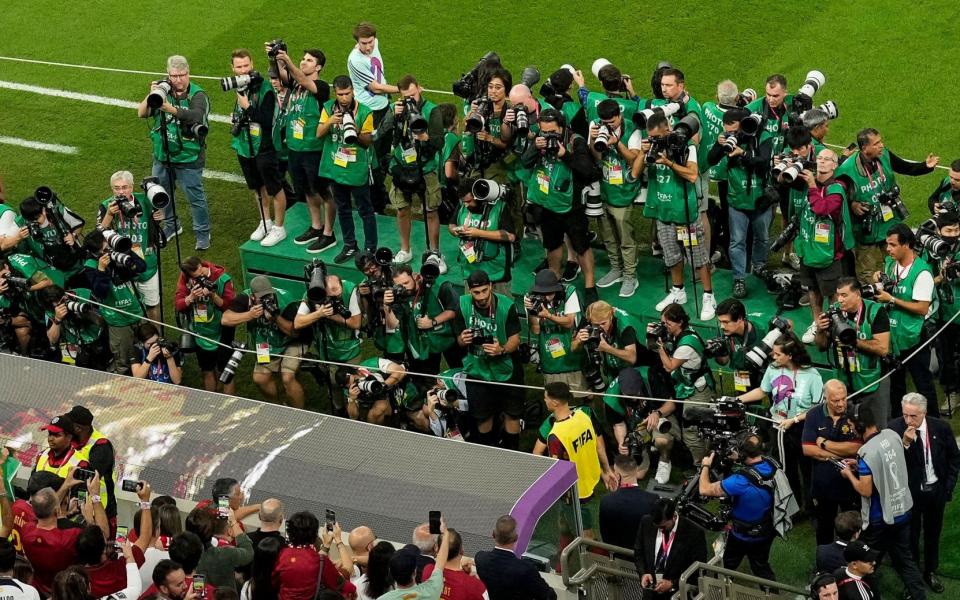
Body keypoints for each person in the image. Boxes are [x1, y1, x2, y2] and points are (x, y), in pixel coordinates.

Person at [840, 407, 926, 600]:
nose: (852, 429)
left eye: (852, 425)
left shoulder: (865, 452)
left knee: (868, 564)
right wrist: (861, 466)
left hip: (880, 520)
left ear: (860, 425)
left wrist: (849, 475)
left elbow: (865, 490)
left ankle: (869, 596)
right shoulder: (892, 434)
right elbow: (888, 462)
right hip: (903, 511)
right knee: (905, 560)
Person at [636, 113, 716, 320]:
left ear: (667, 130)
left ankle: (708, 296)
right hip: (663, 213)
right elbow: (635, 173)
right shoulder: (652, 149)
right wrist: (642, 154)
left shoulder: (686, 147)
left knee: (698, 258)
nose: (655, 141)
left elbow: (691, 175)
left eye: (657, 137)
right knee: (671, 256)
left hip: (685, 215)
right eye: (651, 138)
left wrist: (669, 162)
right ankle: (678, 291)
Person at [835, 127, 938, 283]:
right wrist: (852, 204)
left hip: (888, 224)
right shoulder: (846, 171)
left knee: (901, 263)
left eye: (881, 141)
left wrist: (925, 166)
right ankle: (873, 303)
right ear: (865, 148)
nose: (881, 145)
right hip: (865, 232)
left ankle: (902, 294)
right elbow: (836, 198)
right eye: (876, 143)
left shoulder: (884, 156)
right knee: (868, 274)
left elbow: (905, 167)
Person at [739, 333, 823, 510]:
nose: (773, 357)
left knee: (808, 469)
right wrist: (738, 400)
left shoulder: (812, 375)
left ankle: (813, 506)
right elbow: (762, 391)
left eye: (778, 354)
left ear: (790, 355)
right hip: (778, 428)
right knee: (786, 469)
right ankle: (794, 506)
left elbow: (817, 408)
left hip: (803, 428)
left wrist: (795, 419)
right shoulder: (772, 369)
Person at [136, 55, 211, 250]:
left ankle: (202, 233)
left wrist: (171, 109)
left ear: (189, 73)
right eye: (173, 76)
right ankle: (171, 225)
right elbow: (142, 113)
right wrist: (152, 93)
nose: (177, 80)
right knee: (162, 194)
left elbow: (196, 115)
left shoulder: (198, 95)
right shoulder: (163, 92)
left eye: (182, 75)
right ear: (168, 75)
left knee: (195, 197)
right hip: (163, 155)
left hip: (189, 157)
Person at [888, 393, 960, 594]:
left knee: (932, 534)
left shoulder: (940, 427)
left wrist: (948, 487)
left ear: (924, 413)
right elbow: (891, 464)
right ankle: (911, 578)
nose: (908, 420)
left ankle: (930, 571)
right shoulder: (894, 429)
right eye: (905, 415)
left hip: (936, 492)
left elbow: (955, 458)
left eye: (913, 416)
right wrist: (905, 444)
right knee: (910, 536)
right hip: (910, 495)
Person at [524, 109, 597, 297]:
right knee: (552, 244)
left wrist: (564, 155)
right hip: (547, 203)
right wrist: (534, 147)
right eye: (544, 131)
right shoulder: (539, 139)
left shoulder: (576, 141)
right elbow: (525, 162)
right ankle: (554, 280)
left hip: (571, 206)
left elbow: (587, 171)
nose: (548, 136)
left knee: (581, 246)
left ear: (562, 128)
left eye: (552, 132)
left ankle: (590, 286)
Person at [271, 47, 336, 253]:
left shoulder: (322, 87)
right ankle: (316, 226)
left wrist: (288, 61)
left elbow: (302, 79)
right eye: (303, 59)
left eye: (309, 60)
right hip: (295, 148)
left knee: (324, 191)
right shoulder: (295, 85)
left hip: (313, 149)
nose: (304, 62)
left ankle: (329, 233)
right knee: (307, 189)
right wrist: (275, 57)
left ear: (319, 67)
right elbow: (282, 74)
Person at [533, 382, 617, 539]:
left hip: (574, 493)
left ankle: (591, 558)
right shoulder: (583, 416)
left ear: (555, 402)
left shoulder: (556, 435)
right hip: (589, 479)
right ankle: (567, 547)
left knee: (585, 533)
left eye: (546, 398)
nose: (544, 401)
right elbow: (598, 447)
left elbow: (557, 473)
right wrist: (606, 470)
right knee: (565, 523)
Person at [873, 223, 938, 418]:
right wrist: (880, 279)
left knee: (923, 384)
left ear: (907, 245)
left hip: (914, 337)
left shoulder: (922, 272)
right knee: (896, 385)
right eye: (887, 244)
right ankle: (897, 423)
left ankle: (934, 423)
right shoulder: (891, 265)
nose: (888, 249)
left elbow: (922, 308)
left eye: (892, 245)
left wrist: (891, 299)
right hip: (894, 337)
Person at [707, 108, 774, 298]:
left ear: (745, 124)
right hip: (737, 200)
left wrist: (743, 154)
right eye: (728, 131)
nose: (732, 135)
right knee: (737, 242)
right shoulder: (729, 138)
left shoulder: (763, 135)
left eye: (734, 131)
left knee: (762, 238)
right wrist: (719, 144)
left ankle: (759, 267)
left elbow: (764, 161)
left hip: (760, 200)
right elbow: (711, 160)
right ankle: (739, 278)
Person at [452, 270, 522, 449]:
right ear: (469, 290)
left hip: (506, 369)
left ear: (490, 286)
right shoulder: (462, 304)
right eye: (476, 292)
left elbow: (515, 338)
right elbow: (458, 339)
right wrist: (463, 339)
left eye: (484, 291)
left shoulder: (507, 305)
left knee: (512, 415)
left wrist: (502, 349)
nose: (481, 296)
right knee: (483, 417)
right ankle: (488, 452)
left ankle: (512, 453)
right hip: (478, 371)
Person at [381, 75, 446, 268]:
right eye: (406, 97)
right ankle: (405, 249)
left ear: (420, 88)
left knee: (431, 211)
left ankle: (435, 252)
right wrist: (393, 114)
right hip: (402, 167)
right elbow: (381, 132)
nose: (411, 100)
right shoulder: (396, 109)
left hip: (425, 168)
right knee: (401, 210)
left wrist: (425, 137)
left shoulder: (431, 110)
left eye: (413, 94)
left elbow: (439, 142)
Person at [227, 49, 288, 247]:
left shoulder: (265, 89)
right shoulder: (240, 87)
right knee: (257, 187)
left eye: (246, 65)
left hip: (264, 146)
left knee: (274, 187)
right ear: (233, 68)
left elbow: (266, 120)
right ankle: (265, 222)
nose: (243, 70)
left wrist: (247, 107)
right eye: (239, 67)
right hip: (246, 145)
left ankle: (279, 228)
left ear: (252, 64)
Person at [698, 433, 778, 581]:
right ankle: (771, 594)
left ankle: (720, 590)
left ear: (743, 453)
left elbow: (704, 489)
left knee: (727, 566)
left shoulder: (739, 481)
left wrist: (705, 465)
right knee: (761, 566)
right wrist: (740, 457)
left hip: (742, 535)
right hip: (767, 529)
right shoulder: (772, 464)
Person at [795, 149, 854, 344]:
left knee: (832, 294)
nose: (821, 162)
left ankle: (835, 325)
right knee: (812, 289)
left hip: (828, 254)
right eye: (819, 158)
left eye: (827, 159)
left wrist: (812, 185)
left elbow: (822, 208)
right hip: (807, 249)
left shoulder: (837, 189)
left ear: (834, 165)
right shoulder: (807, 180)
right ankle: (816, 322)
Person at [814, 278, 891, 426]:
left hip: (873, 379)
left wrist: (854, 341)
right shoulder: (834, 313)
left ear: (857, 294)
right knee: (848, 427)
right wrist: (820, 330)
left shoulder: (875, 311)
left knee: (877, 425)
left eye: (844, 295)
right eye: (838, 295)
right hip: (844, 379)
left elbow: (883, 349)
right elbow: (822, 346)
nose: (840, 300)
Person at [317, 75, 378, 264]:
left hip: (357, 169)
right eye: (341, 94)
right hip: (336, 168)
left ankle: (370, 248)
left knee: (365, 210)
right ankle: (350, 245)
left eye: (348, 93)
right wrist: (330, 122)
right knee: (343, 209)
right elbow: (319, 134)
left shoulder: (365, 111)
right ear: (335, 92)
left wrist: (353, 129)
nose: (344, 98)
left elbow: (367, 142)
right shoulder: (328, 108)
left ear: (353, 91)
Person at [222, 275, 306, 408]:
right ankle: (278, 407)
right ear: (253, 296)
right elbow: (225, 319)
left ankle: (301, 415)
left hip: (291, 342)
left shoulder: (286, 299)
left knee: (287, 377)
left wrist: (275, 318)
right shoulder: (245, 298)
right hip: (265, 344)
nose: (267, 300)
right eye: (262, 298)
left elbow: (293, 332)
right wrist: (249, 315)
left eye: (269, 295)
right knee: (260, 378)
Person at [19, 475, 109, 595]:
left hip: (40, 589)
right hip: (65, 592)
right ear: (57, 510)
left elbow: (45, 508)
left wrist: (65, 485)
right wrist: (95, 499)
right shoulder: (69, 538)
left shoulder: (26, 530)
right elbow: (103, 535)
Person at [588, 99, 640, 297]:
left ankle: (630, 276)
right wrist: (594, 141)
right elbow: (595, 157)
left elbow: (632, 158)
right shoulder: (595, 125)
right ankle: (616, 269)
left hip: (623, 192)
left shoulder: (632, 130)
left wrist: (617, 142)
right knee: (608, 236)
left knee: (626, 238)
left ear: (619, 115)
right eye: (604, 122)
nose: (607, 125)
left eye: (611, 122)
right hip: (603, 190)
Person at [801, 380, 864, 546]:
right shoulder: (814, 414)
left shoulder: (855, 412)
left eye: (844, 398)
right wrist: (840, 453)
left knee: (854, 527)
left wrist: (823, 443)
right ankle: (823, 565)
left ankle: (855, 562)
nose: (841, 403)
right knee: (824, 528)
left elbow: (857, 448)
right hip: (823, 485)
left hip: (850, 484)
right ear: (826, 398)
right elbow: (808, 449)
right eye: (836, 400)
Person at [651, 303, 714, 465]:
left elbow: (669, 366)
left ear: (679, 322)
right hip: (688, 386)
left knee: (692, 432)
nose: (665, 327)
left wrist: (659, 346)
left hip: (699, 390)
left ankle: (702, 466)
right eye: (663, 323)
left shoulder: (686, 344)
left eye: (667, 324)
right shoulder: (680, 333)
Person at [98, 171, 164, 322]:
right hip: (122, 264)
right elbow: (98, 233)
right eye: (116, 188)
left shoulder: (146, 200)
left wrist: (160, 216)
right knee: (132, 308)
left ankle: (156, 338)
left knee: (152, 304)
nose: (121, 192)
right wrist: (109, 214)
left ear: (132, 187)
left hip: (148, 263)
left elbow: (160, 215)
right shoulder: (106, 205)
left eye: (124, 187)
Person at [293, 268, 362, 414]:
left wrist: (332, 317)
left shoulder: (350, 290)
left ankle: (355, 411)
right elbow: (298, 323)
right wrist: (319, 313)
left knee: (354, 384)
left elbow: (356, 323)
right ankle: (338, 410)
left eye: (338, 290)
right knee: (333, 383)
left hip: (351, 351)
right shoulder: (312, 295)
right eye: (332, 295)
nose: (337, 296)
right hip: (327, 351)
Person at [347, 21, 399, 214]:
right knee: (372, 160)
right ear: (357, 42)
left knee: (384, 155)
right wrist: (402, 89)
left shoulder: (374, 44)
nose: (368, 47)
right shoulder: (355, 60)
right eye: (363, 43)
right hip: (369, 113)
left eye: (370, 42)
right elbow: (375, 87)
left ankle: (379, 195)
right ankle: (374, 204)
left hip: (384, 107)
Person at [81, 229, 147, 375]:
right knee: (122, 360)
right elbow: (101, 293)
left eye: (107, 248)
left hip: (137, 310)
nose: (108, 253)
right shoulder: (90, 266)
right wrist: (102, 270)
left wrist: (127, 254)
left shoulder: (120, 250)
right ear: (94, 254)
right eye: (103, 251)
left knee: (146, 350)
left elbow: (142, 267)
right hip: (118, 320)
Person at [602, 366, 678, 483]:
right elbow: (619, 425)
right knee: (638, 474)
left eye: (636, 393)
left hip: (659, 418)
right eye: (629, 395)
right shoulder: (611, 399)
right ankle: (649, 447)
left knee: (662, 441)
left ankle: (664, 461)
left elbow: (671, 404)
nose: (633, 399)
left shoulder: (649, 376)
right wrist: (622, 443)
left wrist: (657, 413)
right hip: (637, 426)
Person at [387, 264, 463, 379]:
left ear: (415, 276)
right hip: (422, 343)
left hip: (448, 337)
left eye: (406, 283)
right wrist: (385, 305)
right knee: (427, 380)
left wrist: (432, 322)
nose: (403, 288)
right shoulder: (399, 294)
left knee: (460, 371)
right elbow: (393, 325)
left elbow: (454, 309)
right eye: (399, 285)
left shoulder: (439, 285)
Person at [175, 257, 236, 393]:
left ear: (201, 266)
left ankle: (229, 405)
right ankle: (211, 401)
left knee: (226, 373)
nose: (199, 279)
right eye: (194, 277)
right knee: (207, 370)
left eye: (200, 274)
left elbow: (229, 308)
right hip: (201, 331)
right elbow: (179, 305)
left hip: (223, 330)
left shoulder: (222, 279)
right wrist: (190, 297)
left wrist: (213, 296)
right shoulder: (185, 277)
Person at [447, 178, 515, 295]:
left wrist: (478, 233)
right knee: (472, 305)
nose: (466, 205)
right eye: (463, 201)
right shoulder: (463, 205)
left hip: (496, 270)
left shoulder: (500, 207)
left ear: (478, 196)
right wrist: (456, 231)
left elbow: (510, 236)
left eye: (469, 201)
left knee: (502, 306)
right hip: (471, 269)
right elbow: (451, 225)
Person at [633, 498, 708, 600]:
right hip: (650, 595)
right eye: (657, 526)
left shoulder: (694, 533)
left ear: (673, 516)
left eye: (663, 526)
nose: (660, 529)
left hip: (678, 595)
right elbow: (638, 552)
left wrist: (672, 584)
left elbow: (698, 570)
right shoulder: (646, 522)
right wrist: (643, 573)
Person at [524, 269, 585, 391]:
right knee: (556, 396)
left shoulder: (569, 292)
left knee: (584, 395)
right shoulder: (530, 298)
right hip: (549, 356)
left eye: (549, 293)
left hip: (572, 350)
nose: (546, 297)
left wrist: (548, 316)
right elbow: (536, 330)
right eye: (542, 293)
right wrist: (531, 312)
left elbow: (569, 323)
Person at [272, 511, 355, 600]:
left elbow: (274, 582)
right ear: (314, 534)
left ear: (290, 532)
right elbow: (343, 586)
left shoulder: (282, 555)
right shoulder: (321, 560)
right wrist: (354, 591)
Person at [474, 515, 556, 600]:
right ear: (516, 538)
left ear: (493, 534)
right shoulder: (526, 569)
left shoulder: (481, 559)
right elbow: (549, 596)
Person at [65, 406, 118, 530]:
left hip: (100, 512)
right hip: (74, 509)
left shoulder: (101, 445)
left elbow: (87, 479)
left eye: (68, 425)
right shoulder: (71, 441)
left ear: (78, 428)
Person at [40, 284, 111, 370]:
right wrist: (57, 320)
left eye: (64, 299)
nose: (64, 304)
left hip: (97, 338)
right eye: (59, 304)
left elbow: (103, 321)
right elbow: (52, 340)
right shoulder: (50, 310)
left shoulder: (85, 294)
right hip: (73, 344)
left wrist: (86, 314)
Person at [571, 301, 640, 388]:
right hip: (607, 366)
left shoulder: (624, 325)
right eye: (596, 324)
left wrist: (608, 349)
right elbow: (573, 348)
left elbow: (632, 357)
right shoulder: (588, 319)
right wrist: (578, 342)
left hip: (635, 364)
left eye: (603, 323)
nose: (600, 327)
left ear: (611, 316)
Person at [598, 455, 658, 553]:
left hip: (617, 555)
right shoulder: (653, 499)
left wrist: (614, 494)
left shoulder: (606, 501)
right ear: (637, 470)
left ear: (617, 475)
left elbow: (605, 535)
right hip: (644, 555)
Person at [377, 526, 449, 600]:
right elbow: (440, 563)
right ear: (414, 572)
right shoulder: (430, 590)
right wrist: (446, 533)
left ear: (391, 573)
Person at [712, 298, 764, 394]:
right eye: (720, 322)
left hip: (765, 371)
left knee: (776, 402)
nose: (722, 326)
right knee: (743, 401)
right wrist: (719, 352)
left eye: (726, 322)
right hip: (741, 373)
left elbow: (789, 323)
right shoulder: (723, 332)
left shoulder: (762, 329)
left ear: (740, 318)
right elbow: (724, 362)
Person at [420, 529, 487, 600]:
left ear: (436, 548)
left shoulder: (428, 570)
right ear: (462, 551)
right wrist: (475, 581)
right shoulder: (476, 586)